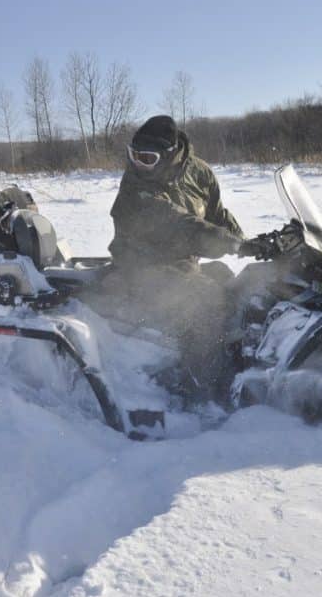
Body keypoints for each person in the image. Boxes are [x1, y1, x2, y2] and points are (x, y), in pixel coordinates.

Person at [100, 115, 246, 403]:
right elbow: (177, 224)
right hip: (141, 267)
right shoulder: (135, 187)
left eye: (146, 158)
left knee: (231, 281)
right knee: (203, 301)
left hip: (181, 264)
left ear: (171, 155)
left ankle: (235, 362)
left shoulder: (198, 173)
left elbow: (217, 215)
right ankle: (201, 391)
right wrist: (224, 242)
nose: (137, 163)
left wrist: (243, 241)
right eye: (133, 155)